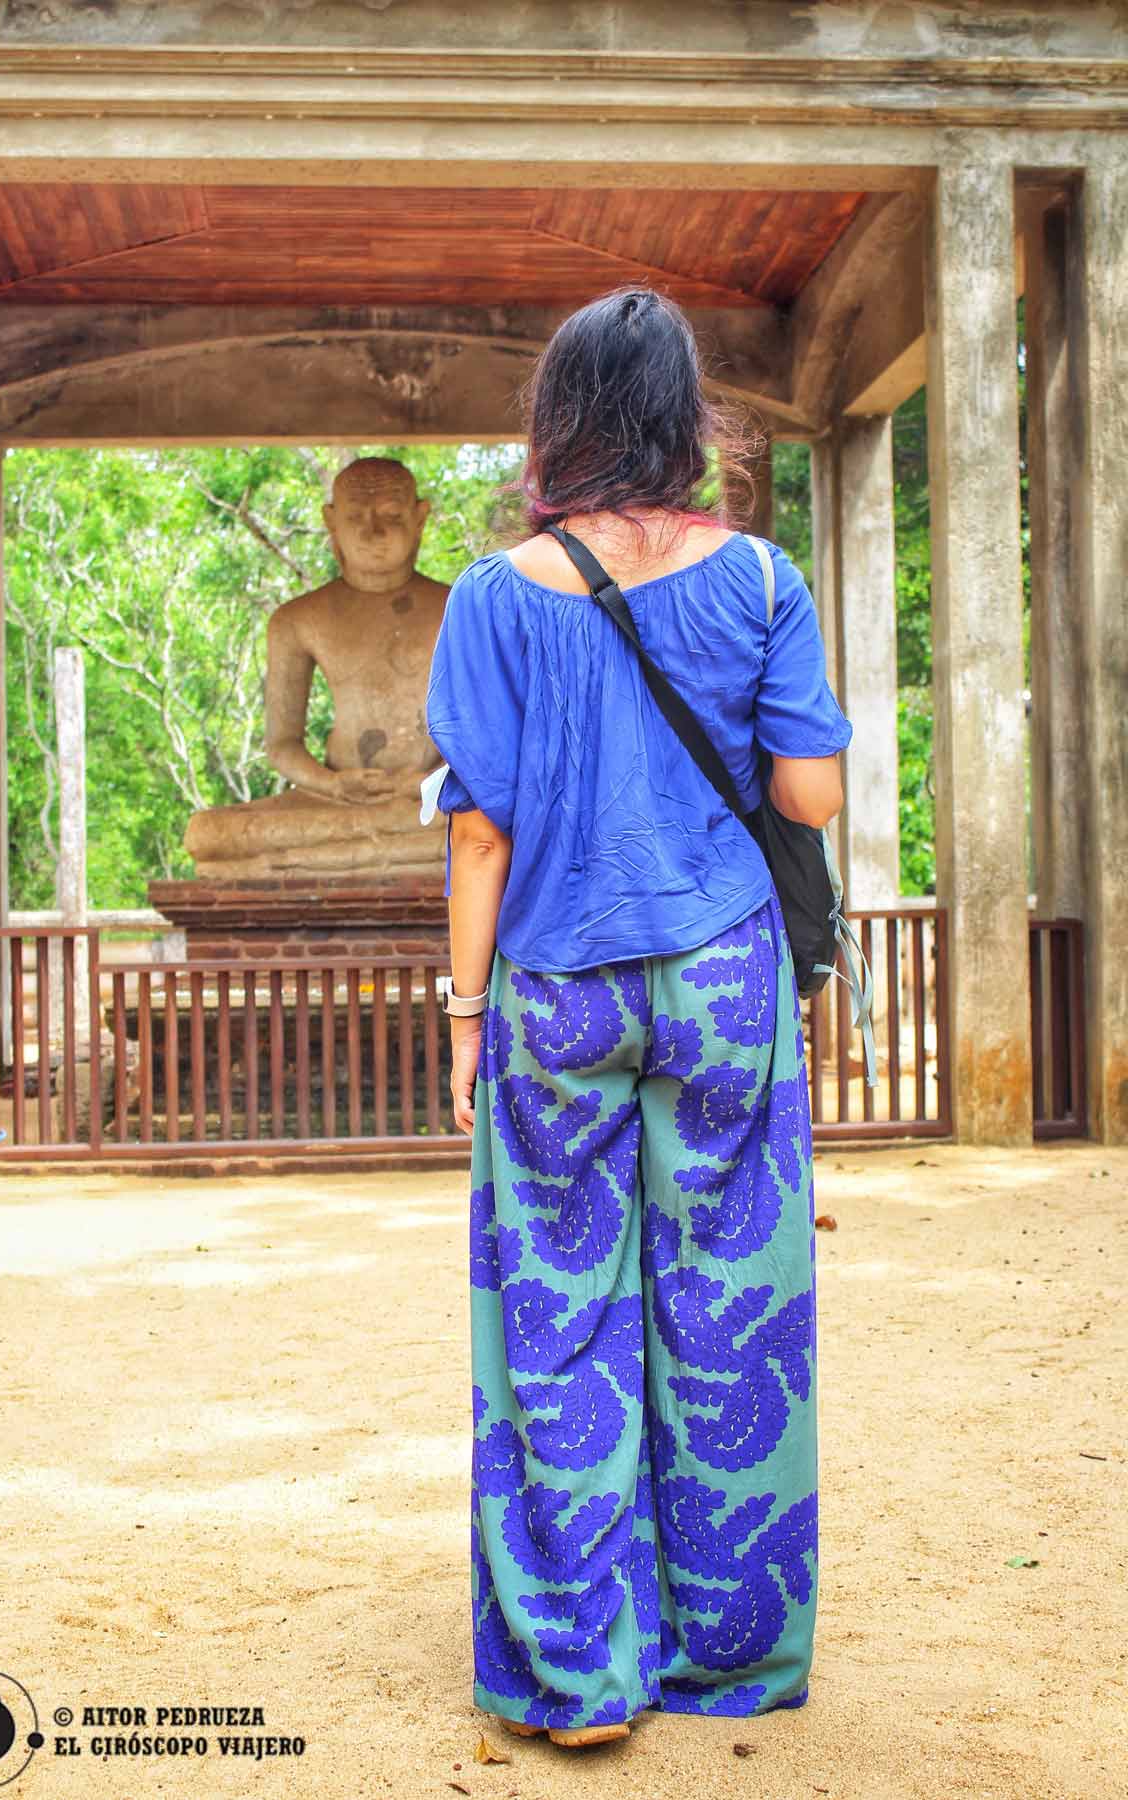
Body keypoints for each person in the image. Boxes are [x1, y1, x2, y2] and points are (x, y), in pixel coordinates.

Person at [419, 287, 852, 1751]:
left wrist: (466, 1015)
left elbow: (478, 834)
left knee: (556, 1308)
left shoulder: (491, 595)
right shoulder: (766, 581)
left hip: (557, 981)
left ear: (561, 419)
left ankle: (578, 1671)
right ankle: (726, 1656)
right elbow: (811, 798)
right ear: (687, 419)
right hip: (726, 975)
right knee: (733, 1305)